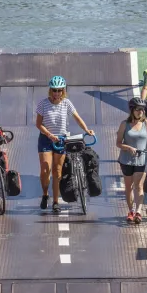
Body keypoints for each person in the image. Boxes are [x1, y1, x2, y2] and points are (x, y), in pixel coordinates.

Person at [35, 76, 95, 213]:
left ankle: (56, 201)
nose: (57, 93)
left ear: (63, 91)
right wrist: (50, 135)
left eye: (59, 91)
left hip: (61, 139)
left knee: (57, 171)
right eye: (54, 90)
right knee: (45, 169)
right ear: (50, 90)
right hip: (46, 139)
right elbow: (38, 124)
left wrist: (87, 129)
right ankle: (45, 194)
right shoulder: (43, 104)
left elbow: (77, 118)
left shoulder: (67, 103)